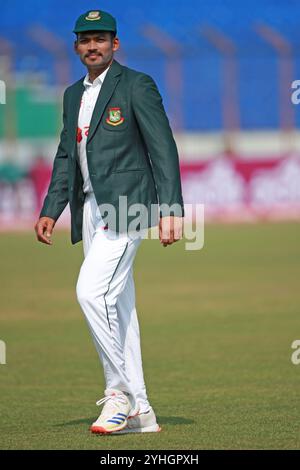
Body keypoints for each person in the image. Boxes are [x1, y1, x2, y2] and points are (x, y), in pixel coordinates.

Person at [34, 9, 184, 435]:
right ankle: (143, 413)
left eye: (100, 38)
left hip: (128, 206)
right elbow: (67, 155)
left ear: (115, 44)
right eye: (84, 40)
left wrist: (171, 209)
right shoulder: (70, 95)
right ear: (76, 46)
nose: (92, 46)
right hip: (90, 210)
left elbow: (163, 148)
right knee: (119, 309)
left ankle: (118, 394)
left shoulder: (137, 85)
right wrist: (51, 208)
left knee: (90, 293)